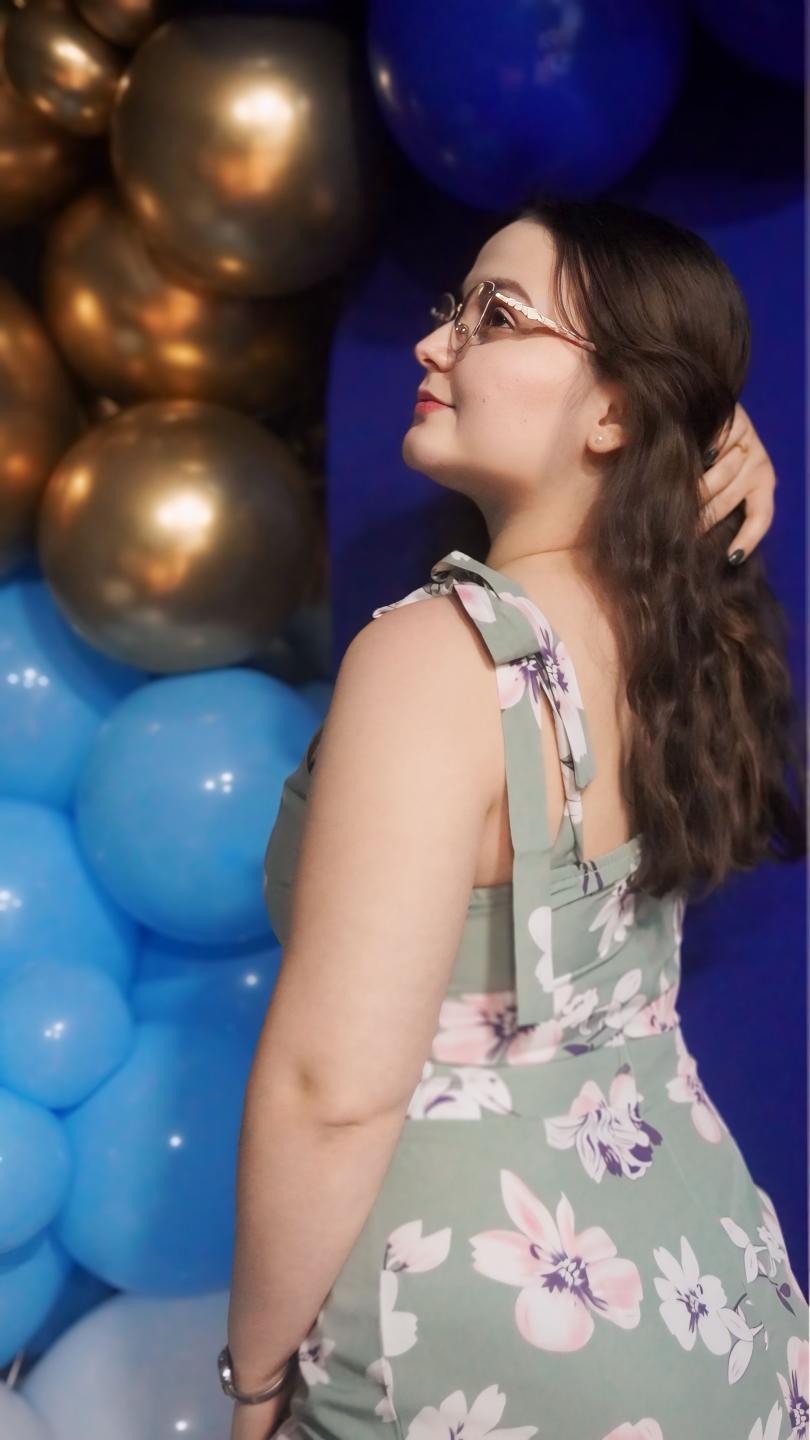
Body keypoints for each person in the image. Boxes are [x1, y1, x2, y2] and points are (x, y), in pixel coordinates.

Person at [226, 197, 806, 1440]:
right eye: (456, 306)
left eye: (495, 317)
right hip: (712, 1301)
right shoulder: (684, 632)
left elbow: (334, 1090)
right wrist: (689, 423)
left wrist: (256, 1377)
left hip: (473, 1338)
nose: (435, 341)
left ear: (616, 411)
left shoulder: (437, 658)